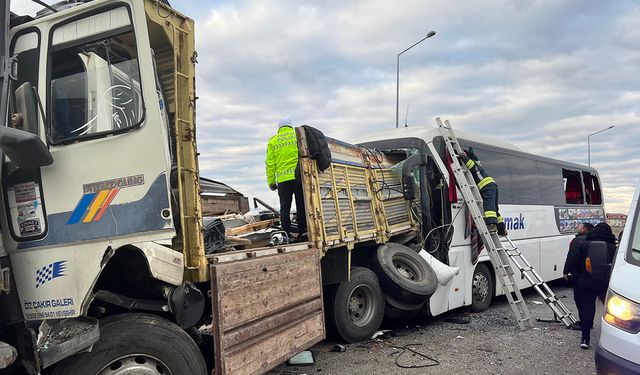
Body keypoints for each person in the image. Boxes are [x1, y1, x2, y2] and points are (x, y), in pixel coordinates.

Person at [576, 222, 616, 349]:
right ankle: (611, 338)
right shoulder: (613, 248)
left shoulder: (584, 245)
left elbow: (578, 262)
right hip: (605, 282)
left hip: (587, 281)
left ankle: (585, 338)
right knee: (611, 310)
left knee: (588, 309)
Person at [265, 118, 306, 239]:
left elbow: (270, 164)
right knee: (301, 205)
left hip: (283, 181)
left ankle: (285, 233)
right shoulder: (297, 136)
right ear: (291, 126)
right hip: (298, 177)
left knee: (285, 208)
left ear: (279, 128)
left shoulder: (273, 141)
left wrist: (271, 182)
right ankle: (303, 231)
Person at [459, 148, 507, 236]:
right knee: (494, 208)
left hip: (486, 185)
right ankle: (502, 229)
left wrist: (463, 157)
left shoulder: (475, 166)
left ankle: (491, 225)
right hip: (492, 184)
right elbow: (475, 160)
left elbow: (471, 165)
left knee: (488, 206)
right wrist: (472, 156)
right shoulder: (478, 163)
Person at [562, 222, 594, 330]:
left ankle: (584, 322)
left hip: (579, 273)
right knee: (589, 300)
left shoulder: (578, 241)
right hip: (591, 274)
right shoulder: (593, 240)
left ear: (585, 230)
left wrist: (566, 271)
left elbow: (571, 257)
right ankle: (589, 322)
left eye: (581, 226)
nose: (578, 227)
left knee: (580, 299)